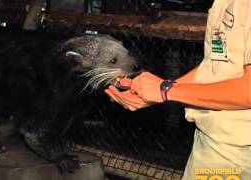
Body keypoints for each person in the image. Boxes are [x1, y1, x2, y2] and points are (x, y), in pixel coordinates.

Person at [105, 0, 251, 179]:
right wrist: (156, 92)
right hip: (212, 141)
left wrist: (166, 91)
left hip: (237, 150)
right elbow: (213, 67)